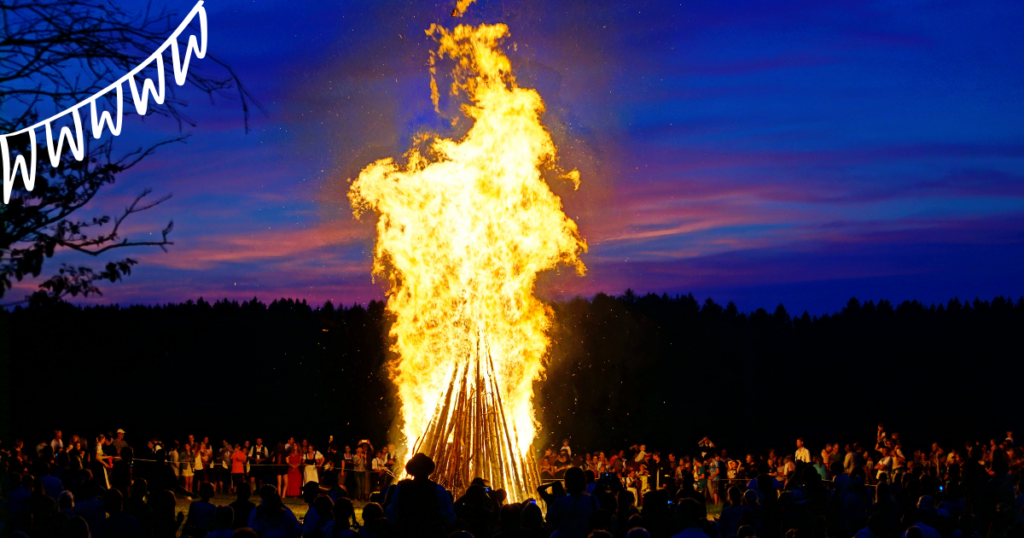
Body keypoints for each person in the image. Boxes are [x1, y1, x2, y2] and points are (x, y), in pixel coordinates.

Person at [385, 453, 456, 537]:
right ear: (429, 470)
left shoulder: (400, 489)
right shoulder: (438, 489)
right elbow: (450, 518)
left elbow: (392, 516)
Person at [546, 467, 600, 538]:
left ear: (566, 483)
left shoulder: (561, 502)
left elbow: (549, 518)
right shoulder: (592, 499)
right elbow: (598, 519)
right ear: (584, 481)